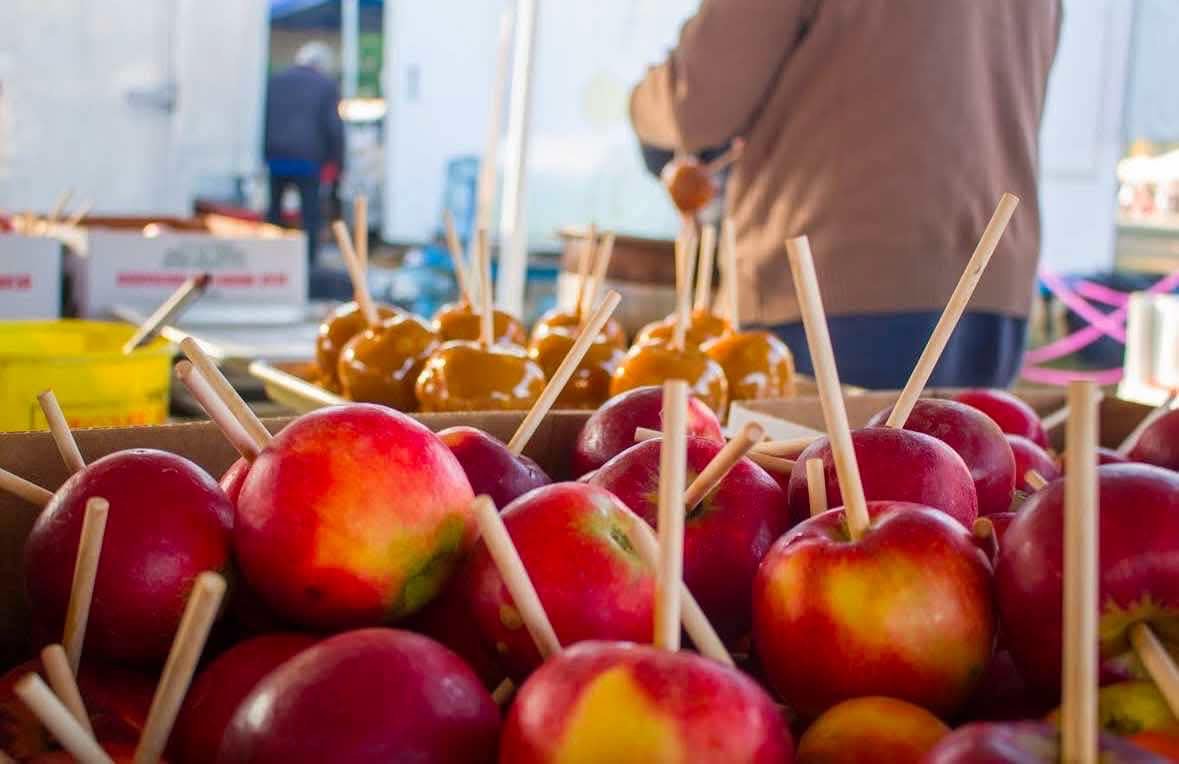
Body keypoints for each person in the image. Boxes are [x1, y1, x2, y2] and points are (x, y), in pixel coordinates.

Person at [630, 1, 1062, 389]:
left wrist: (641, 106)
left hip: (835, 277)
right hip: (995, 281)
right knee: (962, 454)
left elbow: (697, 102)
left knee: (817, 454)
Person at [264, 41, 344, 267]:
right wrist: (338, 162)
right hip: (308, 159)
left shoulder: (276, 81)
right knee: (310, 214)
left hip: (276, 156)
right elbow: (333, 126)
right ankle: (307, 263)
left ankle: (270, 259)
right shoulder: (326, 85)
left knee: (274, 212)